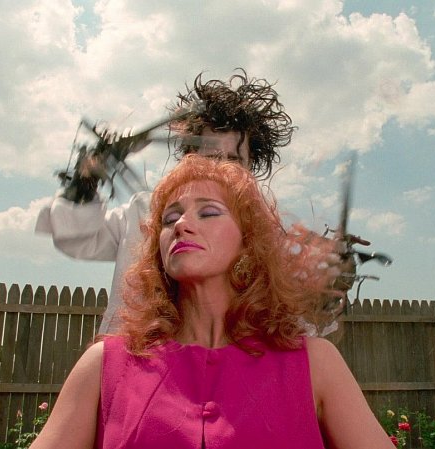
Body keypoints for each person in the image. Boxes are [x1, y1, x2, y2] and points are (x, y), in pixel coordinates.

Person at [29, 156, 394, 449]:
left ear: (248, 243)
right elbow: (69, 230)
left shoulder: (315, 363)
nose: (182, 225)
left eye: (209, 212)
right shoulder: (105, 365)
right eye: (170, 218)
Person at [35, 69, 295, 333]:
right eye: (210, 157)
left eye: (233, 160)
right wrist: (85, 181)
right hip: (135, 353)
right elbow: (74, 239)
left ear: (250, 167)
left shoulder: (266, 234)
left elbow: (293, 321)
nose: (220, 169)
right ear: (188, 159)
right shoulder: (143, 212)